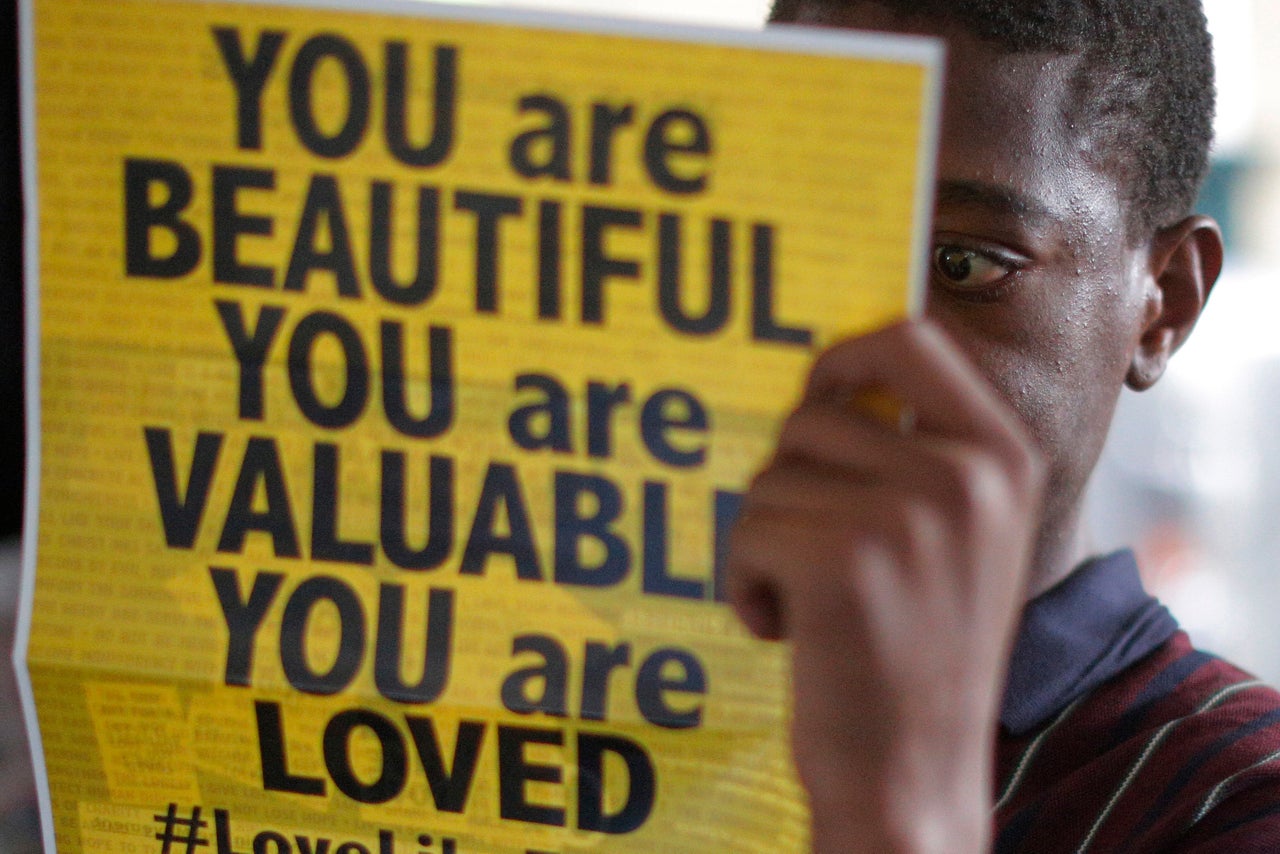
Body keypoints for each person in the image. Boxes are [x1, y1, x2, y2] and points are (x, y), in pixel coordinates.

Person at [724, 2, 1280, 852]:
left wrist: (901, 805)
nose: (852, 344)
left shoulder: (1233, 799)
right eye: (807, 240)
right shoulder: (585, 695)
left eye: (963, 262)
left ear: (1163, 303)